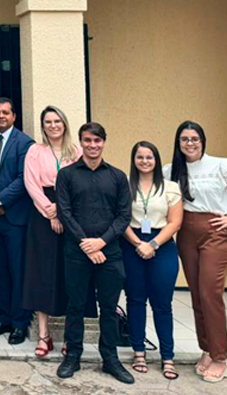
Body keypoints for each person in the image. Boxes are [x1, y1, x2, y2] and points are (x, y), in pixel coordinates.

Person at [168, 121, 227, 383]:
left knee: (211, 292)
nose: (190, 143)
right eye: (184, 139)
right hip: (186, 232)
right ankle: (207, 349)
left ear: (202, 141)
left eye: (194, 139)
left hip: (215, 232)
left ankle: (221, 356)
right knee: (197, 294)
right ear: (178, 143)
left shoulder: (221, 164)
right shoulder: (171, 170)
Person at [55, 122, 134, 384]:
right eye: (87, 140)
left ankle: (110, 359)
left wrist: (101, 242)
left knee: (109, 308)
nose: (92, 145)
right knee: (75, 305)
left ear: (104, 143)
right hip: (76, 252)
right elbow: (64, 212)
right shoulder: (66, 175)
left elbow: (124, 216)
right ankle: (73, 355)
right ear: (81, 142)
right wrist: (86, 243)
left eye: (97, 141)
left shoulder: (117, 176)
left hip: (109, 253)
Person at [21, 105, 82, 357]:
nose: (53, 125)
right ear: (43, 126)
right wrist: (50, 211)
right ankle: (44, 335)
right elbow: (31, 183)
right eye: (48, 122)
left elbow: (80, 184)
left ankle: (69, 336)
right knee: (43, 273)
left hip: (71, 214)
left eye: (57, 121)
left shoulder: (76, 152)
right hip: (41, 215)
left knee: (68, 274)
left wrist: (62, 212)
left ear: (65, 124)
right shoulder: (35, 151)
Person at [124, 141, 183, 380]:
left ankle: (167, 356)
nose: (145, 161)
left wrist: (153, 244)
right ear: (134, 160)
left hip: (162, 245)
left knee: (162, 304)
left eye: (149, 157)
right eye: (140, 157)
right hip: (132, 244)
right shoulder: (126, 187)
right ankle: (139, 351)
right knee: (135, 300)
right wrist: (139, 244)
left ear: (156, 160)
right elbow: (121, 220)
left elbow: (175, 221)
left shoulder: (170, 187)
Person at [0, 98, 35, 345]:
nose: (1, 116)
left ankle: (19, 323)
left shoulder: (25, 143)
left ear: (14, 116)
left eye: (5, 113)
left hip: (15, 217)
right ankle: (3, 318)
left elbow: (25, 179)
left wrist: (0, 200)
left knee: (18, 271)